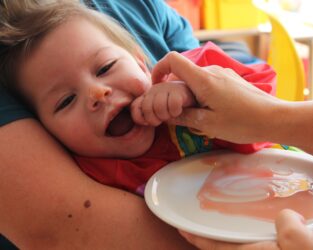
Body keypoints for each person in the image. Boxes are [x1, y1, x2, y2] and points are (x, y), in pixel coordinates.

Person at [148, 51, 313, 249]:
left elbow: (258, 81)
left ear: (142, 63)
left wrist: (184, 88)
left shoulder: (194, 91)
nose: (105, 91)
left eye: (108, 67)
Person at [0, 0, 200, 248]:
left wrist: (192, 92)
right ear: (46, 134)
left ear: (141, 61)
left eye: (105, 68)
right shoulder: (93, 176)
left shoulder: (178, 83)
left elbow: (249, 89)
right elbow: (57, 231)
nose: (96, 93)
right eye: (66, 101)